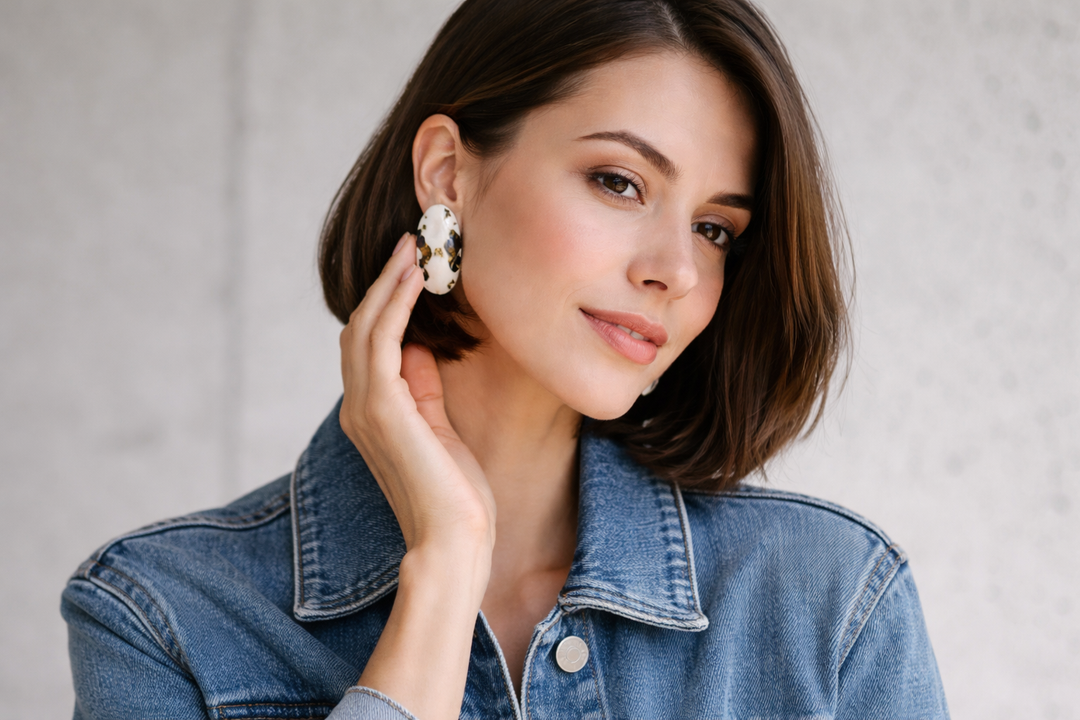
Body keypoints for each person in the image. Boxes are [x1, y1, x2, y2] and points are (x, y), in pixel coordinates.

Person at [61, 0, 950, 718]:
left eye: (715, 229)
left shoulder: (830, 605)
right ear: (448, 173)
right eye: (620, 181)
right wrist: (445, 571)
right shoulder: (162, 616)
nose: (676, 270)